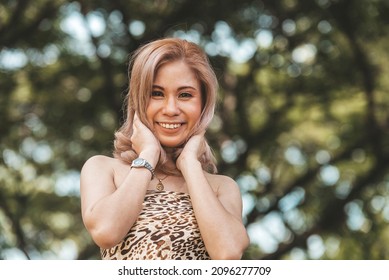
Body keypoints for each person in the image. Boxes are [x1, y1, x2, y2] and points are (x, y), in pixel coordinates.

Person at [80, 37, 250, 260]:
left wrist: (190, 164)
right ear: (139, 100)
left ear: (204, 103)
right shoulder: (103, 169)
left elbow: (228, 253)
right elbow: (106, 232)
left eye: (185, 95)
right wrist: (148, 155)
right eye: (156, 93)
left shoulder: (222, 188)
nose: (171, 109)